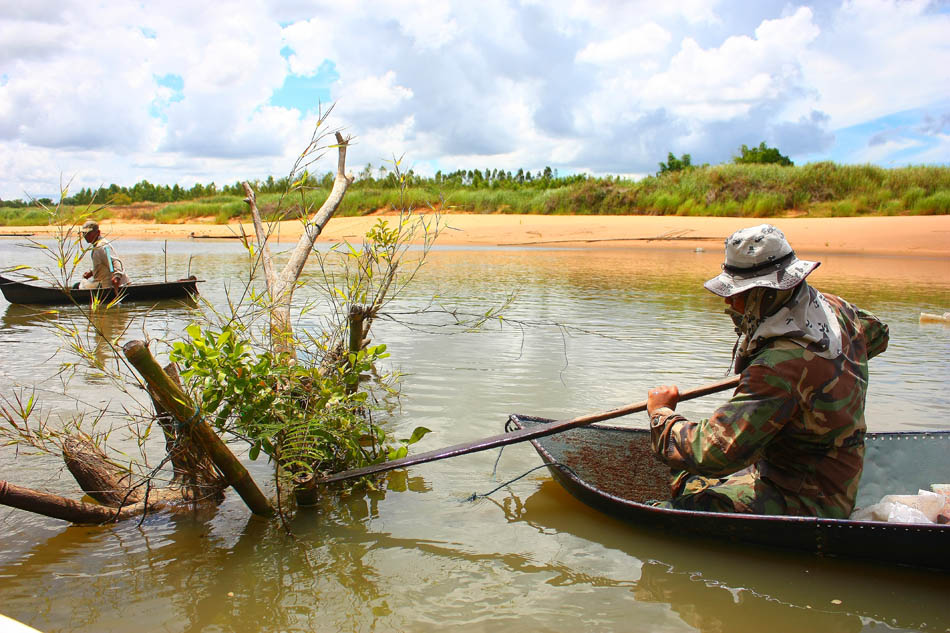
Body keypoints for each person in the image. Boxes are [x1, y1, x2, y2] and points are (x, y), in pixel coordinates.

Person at [646, 224, 889, 518]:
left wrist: (662, 415)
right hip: (836, 477)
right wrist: (827, 377)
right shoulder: (834, 308)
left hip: (808, 499)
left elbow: (714, 452)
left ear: (767, 292)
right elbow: (878, 333)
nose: (728, 301)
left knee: (686, 487)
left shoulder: (780, 365)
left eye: (738, 293)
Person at [77, 220, 130, 290]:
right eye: (84, 233)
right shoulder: (96, 245)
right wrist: (91, 272)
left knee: (76, 287)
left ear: (98, 233)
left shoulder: (103, 246)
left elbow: (114, 261)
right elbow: (103, 264)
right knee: (77, 285)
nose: (85, 236)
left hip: (109, 286)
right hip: (101, 284)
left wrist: (117, 276)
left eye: (88, 233)